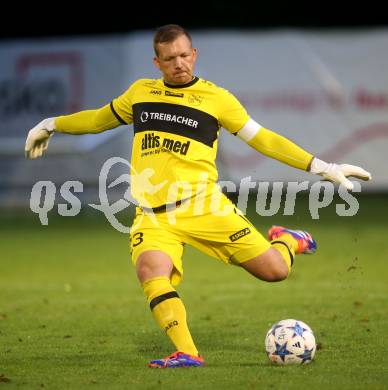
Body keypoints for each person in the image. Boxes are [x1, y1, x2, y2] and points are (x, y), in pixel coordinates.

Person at [25, 24, 371, 368]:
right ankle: (188, 353)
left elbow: (263, 139)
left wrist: (321, 167)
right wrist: (52, 123)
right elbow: (98, 120)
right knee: (150, 270)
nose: (179, 63)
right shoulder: (141, 93)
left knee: (275, 271)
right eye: (169, 58)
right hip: (153, 215)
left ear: (194, 54)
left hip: (204, 207)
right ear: (157, 62)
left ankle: (288, 240)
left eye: (183, 55)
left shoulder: (217, 100)